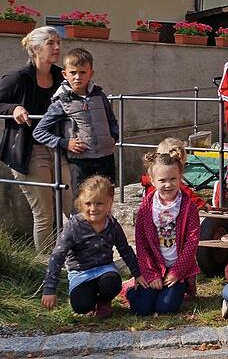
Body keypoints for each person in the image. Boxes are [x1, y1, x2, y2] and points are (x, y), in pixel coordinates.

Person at [0, 26, 73, 251]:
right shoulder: (18, 79)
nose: (57, 47)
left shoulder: (62, 77)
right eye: (51, 43)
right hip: (29, 152)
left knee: (75, 206)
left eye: (58, 42)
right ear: (35, 49)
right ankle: (47, 269)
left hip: (58, 149)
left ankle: (83, 259)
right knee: (45, 212)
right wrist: (13, 108)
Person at [41, 175, 143, 318]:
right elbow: (58, 256)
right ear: (81, 204)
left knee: (112, 283)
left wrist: (137, 274)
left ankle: (104, 300)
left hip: (105, 269)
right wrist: (50, 289)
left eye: (99, 203)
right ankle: (89, 298)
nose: (93, 208)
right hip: (80, 272)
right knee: (81, 306)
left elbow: (125, 249)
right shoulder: (74, 226)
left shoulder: (112, 224)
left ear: (109, 203)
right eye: (88, 204)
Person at [33, 48, 118, 203]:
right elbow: (39, 132)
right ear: (65, 74)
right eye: (73, 72)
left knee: (107, 197)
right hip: (81, 161)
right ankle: (81, 227)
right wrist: (65, 143)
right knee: (82, 200)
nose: (78, 77)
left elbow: (112, 120)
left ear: (91, 73)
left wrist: (114, 137)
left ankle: (106, 227)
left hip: (106, 157)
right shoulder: (61, 101)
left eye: (83, 72)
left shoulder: (100, 96)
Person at [127, 150, 200, 315]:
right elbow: (141, 241)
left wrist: (177, 272)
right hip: (154, 265)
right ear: (152, 180)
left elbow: (192, 241)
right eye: (162, 180)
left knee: (165, 308)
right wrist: (151, 274)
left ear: (180, 177)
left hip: (176, 267)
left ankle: (181, 288)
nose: (168, 185)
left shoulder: (188, 207)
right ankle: (132, 291)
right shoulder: (147, 206)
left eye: (173, 179)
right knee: (143, 309)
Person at [140, 137, 209, 211]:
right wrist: (202, 204)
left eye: (173, 179)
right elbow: (187, 195)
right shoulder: (175, 184)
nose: (168, 184)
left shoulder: (152, 180)